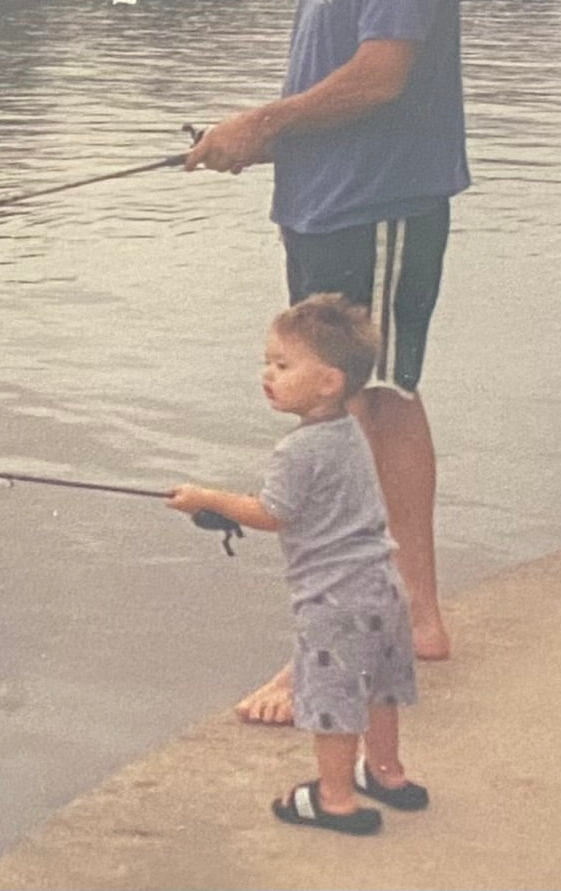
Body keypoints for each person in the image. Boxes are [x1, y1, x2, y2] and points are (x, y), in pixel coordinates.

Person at [185, 0, 470, 725]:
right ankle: (398, 618)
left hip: (380, 203)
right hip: (324, 202)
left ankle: (367, 630)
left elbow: (383, 76)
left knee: (370, 402)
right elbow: (336, 83)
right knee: (342, 407)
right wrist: (262, 140)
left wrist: (263, 120)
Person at [167, 295, 431, 835]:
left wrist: (207, 499)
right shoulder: (349, 434)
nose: (268, 374)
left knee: (332, 699)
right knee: (381, 689)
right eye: (267, 362)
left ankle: (334, 800)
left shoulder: (297, 449)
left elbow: (272, 514)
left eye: (283, 366)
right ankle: (387, 773)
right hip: (382, 585)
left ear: (329, 382)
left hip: (333, 600)